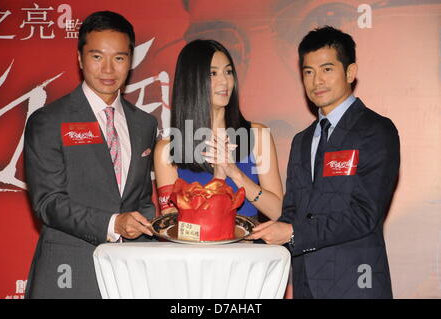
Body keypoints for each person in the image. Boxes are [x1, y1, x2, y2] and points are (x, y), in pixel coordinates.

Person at [248, 26, 400, 298]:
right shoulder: (302, 140)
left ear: (350, 72)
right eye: (308, 72)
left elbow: (365, 214)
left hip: (356, 282)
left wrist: (293, 233)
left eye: (327, 69)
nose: (317, 80)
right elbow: (292, 210)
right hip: (306, 283)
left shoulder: (376, 130)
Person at [23, 11, 157, 298]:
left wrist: (157, 224)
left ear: (130, 61)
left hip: (129, 272)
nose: (108, 69)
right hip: (69, 269)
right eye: (97, 57)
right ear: (80, 59)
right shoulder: (49, 120)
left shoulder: (145, 124)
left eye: (119, 58)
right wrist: (113, 224)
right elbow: (49, 202)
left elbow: (142, 199)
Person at [154, 39, 283, 221]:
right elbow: (172, 224)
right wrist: (218, 182)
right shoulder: (167, 149)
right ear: (192, 81)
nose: (225, 81)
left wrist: (235, 173)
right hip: (195, 250)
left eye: (228, 72)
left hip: (248, 249)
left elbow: (278, 212)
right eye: (212, 74)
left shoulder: (258, 135)